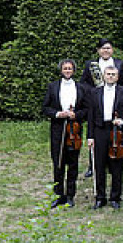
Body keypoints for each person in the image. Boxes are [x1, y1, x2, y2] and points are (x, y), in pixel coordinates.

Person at [41, 59, 87, 208]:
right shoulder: (53, 87)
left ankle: (70, 195)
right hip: (58, 129)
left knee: (73, 163)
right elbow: (45, 108)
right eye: (65, 68)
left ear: (74, 70)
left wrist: (77, 115)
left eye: (70, 68)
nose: (67, 71)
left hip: (74, 129)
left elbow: (86, 110)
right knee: (58, 163)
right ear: (61, 70)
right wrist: (57, 114)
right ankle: (58, 194)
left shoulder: (80, 88)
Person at [87, 65, 123, 209]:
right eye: (108, 74)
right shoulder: (95, 92)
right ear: (104, 76)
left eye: (113, 74)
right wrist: (90, 136)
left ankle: (115, 197)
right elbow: (90, 116)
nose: (111, 76)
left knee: (116, 165)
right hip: (100, 130)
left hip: (117, 131)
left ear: (118, 77)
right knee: (99, 165)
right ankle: (100, 197)